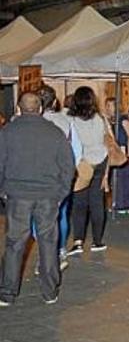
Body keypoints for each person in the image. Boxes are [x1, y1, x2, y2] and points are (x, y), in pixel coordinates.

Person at [0, 93, 75, 306]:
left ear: (18, 109)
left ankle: (7, 292)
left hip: (17, 195)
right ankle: (50, 291)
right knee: (49, 243)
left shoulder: (7, 132)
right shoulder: (55, 133)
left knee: (15, 244)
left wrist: (3, 190)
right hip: (48, 196)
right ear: (40, 109)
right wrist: (60, 193)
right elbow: (68, 167)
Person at [37, 85, 82, 269]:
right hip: (60, 176)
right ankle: (61, 249)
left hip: (37, 177)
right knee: (61, 214)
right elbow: (76, 151)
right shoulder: (66, 121)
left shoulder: (27, 123)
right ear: (55, 102)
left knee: (36, 217)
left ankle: (43, 255)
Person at [68, 87, 111, 255]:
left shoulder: (72, 120)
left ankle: (78, 241)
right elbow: (108, 142)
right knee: (97, 203)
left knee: (79, 204)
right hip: (101, 161)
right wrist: (106, 173)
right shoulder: (101, 119)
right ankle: (98, 241)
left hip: (82, 164)